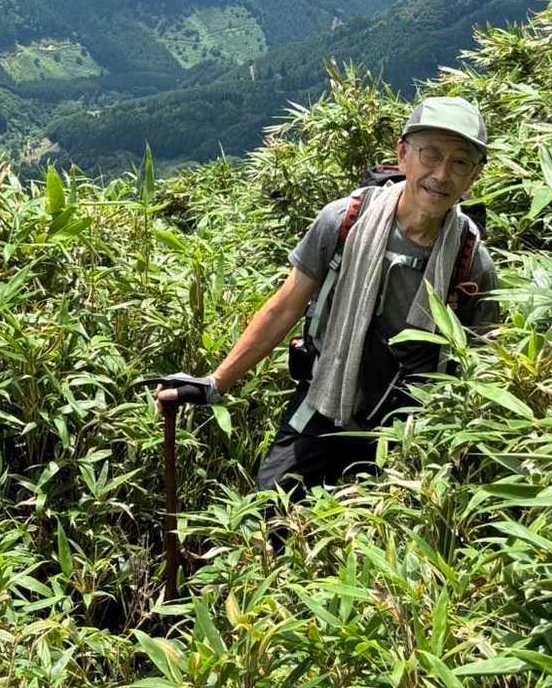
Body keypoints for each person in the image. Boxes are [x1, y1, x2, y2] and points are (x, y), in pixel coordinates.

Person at [157, 96, 498, 499]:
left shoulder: (472, 265)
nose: (441, 174)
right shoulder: (344, 221)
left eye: (460, 162)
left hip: (407, 431)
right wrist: (215, 383)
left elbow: (481, 368)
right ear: (403, 155)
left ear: (474, 176)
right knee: (270, 515)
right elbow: (286, 306)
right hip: (321, 404)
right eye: (431, 155)